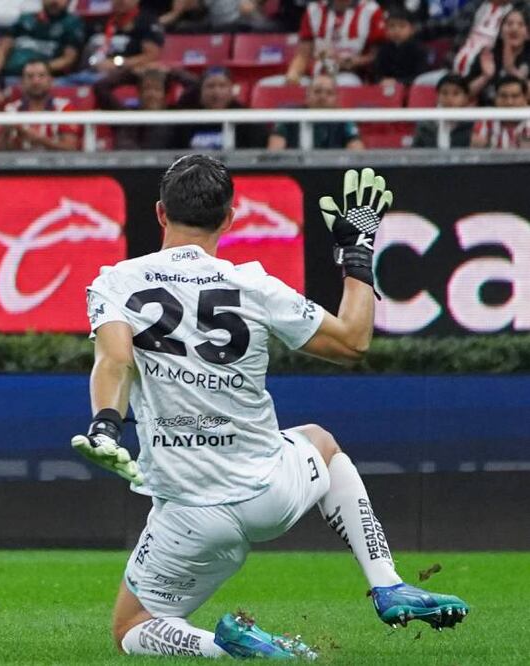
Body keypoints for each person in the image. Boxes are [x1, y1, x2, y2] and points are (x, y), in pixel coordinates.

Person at [73, 155, 470, 659]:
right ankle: (387, 583)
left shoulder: (116, 281)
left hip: (190, 512)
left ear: (159, 213)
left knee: (132, 627)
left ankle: (227, 647)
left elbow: (114, 361)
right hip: (270, 493)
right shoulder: (254, 285)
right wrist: (357, 251)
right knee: (321, 444)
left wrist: (106, 426)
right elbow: (354, 341)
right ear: (229, 219)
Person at [286, 0, 387, 86]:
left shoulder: (371, 10)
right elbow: (303, 55)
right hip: (317, 74)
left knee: (346, 84)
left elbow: (377, 56)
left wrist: (356, 61)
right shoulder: (314, 9)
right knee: (276, 83)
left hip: (350, 75)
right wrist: (293, 73)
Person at [170, 68, 267, 149]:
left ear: (231, 90)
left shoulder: (247, 120)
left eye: (222, 85)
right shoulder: (186, 119)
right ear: (201, 91)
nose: (216, 92)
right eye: (210, 86)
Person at [75, 0, 162, 87]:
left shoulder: (147, 21)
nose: (120, 1)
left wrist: (118, 63)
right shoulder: (100, 21)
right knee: (62, 83)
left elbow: (151, 56)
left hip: (122, 76)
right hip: (90, 72)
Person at [267, 73, 365, 149]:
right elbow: (275, 155)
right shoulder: (289, 116)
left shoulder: (344, 119)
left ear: (336, 98)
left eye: (329, 93)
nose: (322, 97)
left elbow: (357, 155)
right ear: (307, 95)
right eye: (317, 91)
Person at [0, 0, 85, 78]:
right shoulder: (24, 18)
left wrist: (38, 70)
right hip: (11, 75)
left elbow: (68, 59)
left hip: (47, 78)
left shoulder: (72, 23)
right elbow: (3, 48)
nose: (55, 1)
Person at [2, 58, 80, 150]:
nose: (36, 81)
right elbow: (1, 152)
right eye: (30, 76)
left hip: (56, 163)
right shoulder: (11, 110)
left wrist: (39, 139)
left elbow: (71, 148)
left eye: (41, 76)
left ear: (51, 80)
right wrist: (6, 134)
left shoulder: (64, 107)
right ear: (21, 83)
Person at [467, 4, 530, 104]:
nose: (514, 29)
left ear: (528, 34)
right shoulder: (487, 55)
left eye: (520, 25)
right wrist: (485, 77)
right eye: (509, 24)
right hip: (488, 114)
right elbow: (465, 94)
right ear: (500, 32)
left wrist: (512, 71)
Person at [451, 0, 513, 76]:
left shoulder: (516, 10)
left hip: (491, 63)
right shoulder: (475, 4)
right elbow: (456, 27)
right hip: (458, 54)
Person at [412, 72, 475, 147]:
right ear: (437, 96)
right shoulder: (425, 126)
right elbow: (415, 154)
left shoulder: (472, 126)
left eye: (456, 93)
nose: (449, 99)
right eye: (444, 93)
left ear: (466, 98)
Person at [374, 7, 430, 85]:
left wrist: (398, 82)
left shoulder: (419, 49)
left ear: (412, 29)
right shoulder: (383, 50)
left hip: (412, 89)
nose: (396, 30)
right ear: (386, 30)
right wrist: (382, 80)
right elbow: (377, 74)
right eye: (392, 26)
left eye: (402, 26)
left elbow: (421, 77)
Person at [471, 73, 530, 146]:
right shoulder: (486, 119)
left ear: (525, 98)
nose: (509, 102)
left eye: (515, 96)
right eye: (503, 96)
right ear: (495, 98)